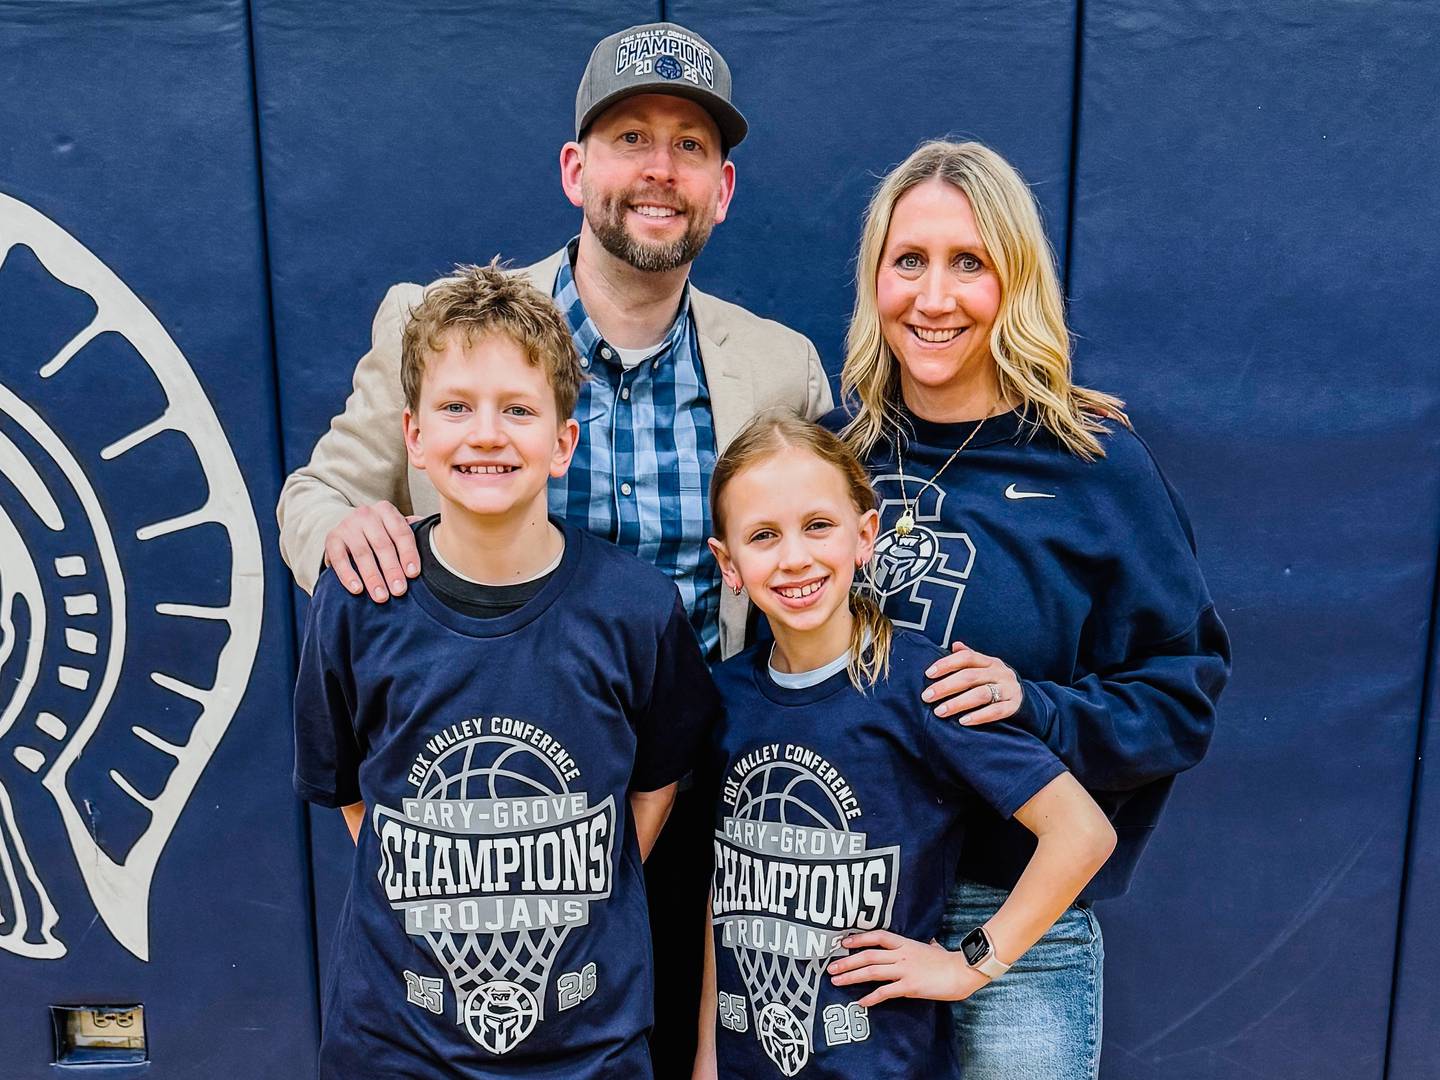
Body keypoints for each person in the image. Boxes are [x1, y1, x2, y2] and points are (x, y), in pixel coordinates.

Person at [277, 23, 830, 1071]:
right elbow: (318, 492)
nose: (659, 169)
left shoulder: (780, 364)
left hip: (703, 780)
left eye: (690, 146)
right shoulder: (446, 328)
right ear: (578, 169)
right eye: (631, 137)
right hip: (502, 797)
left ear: (724, 188)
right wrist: (348, 531)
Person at [825, 140, 1231, 1079]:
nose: (934, 297)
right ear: (874, 278)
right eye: (909, 261)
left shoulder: (1094, 464)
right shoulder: (839, 460)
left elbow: (1183, 698)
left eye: (970, 263)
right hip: (848, 902)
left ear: (1017, 280)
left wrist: (1034, 703)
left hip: (1013, 922)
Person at [292, 264, 720, 1077]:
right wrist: (453, 886)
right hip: (399, 1042)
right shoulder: (357, 604)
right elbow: (352, 793)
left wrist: (564, 883)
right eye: (456, 408)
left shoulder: (636, 609)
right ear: (413, 436)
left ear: (563, 442)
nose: (486, 434)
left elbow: (658, 780)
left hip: (586, 1044)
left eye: (518, 410)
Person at [692, 414, 1115, 1079]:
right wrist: (708, 1060)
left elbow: (1082, 833)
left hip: (883, 1062)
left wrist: (970, 963)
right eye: (764, 536)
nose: (795, 556)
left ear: (865, 537)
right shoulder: (722, 696)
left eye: (818, 526)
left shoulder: (924, 687)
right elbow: (727, 895)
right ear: (729, 563)